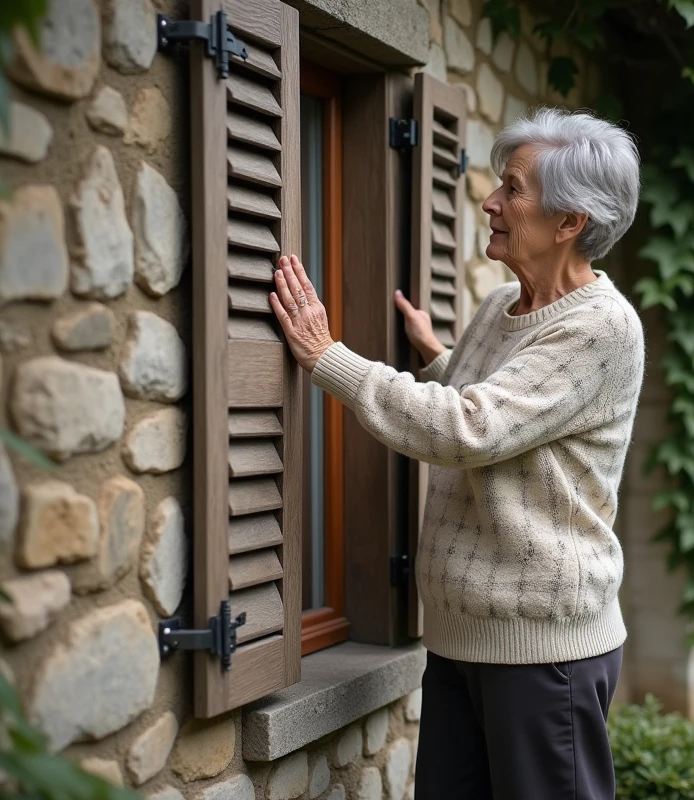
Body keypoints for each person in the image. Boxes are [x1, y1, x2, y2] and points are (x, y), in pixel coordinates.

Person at [270, 107, 645, 800]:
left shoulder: (603, 328)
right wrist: (441, 360)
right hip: (462, 633)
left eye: (512, 188)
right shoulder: (506, 303)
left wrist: (329, 358)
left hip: (543, 650)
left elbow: (471, 429)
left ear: (571, 221)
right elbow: (511, 411)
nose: (490, 202)